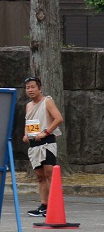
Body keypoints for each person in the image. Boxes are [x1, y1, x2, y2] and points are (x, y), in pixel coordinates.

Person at [21, 76, 64, 218]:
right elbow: (29, 122)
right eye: (28, 88)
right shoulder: (28, 105)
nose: (30, 90)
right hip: (34, 143)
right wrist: (26, 134)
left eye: (33, 87)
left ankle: (54, 205)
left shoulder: (47, 101)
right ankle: (44, 205)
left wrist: (45, 132)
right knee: (40, 176)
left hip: (47, 142)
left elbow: (58, 119)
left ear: (40, 88)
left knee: (49, 172)